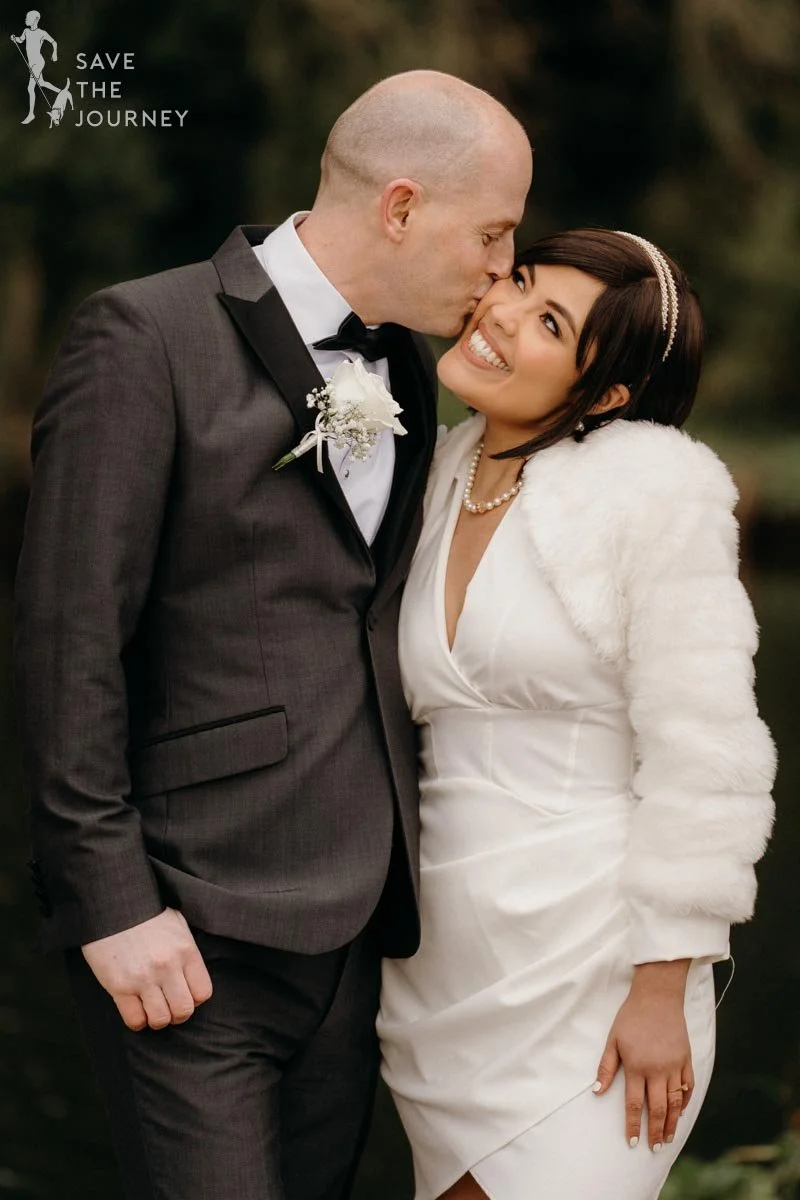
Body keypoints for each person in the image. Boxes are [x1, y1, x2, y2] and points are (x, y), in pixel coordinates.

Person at [12, 71, 532, 1200]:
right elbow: (67, 643)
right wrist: (112, 905)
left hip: (358, 937)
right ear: (401, 207)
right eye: (493, 233)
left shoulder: (410, 364)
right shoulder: (144, 336)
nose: (502, 268)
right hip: (186, 926)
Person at [378, 228, 777, 1200]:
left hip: (596, 971)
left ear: (603, 395)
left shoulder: (653, 493)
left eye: (549, 322)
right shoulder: (434, 468)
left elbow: (708, 756)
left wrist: (660, 984)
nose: (502, 312)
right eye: (519, 282)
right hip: (442, 976)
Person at [11, 10, 60, 125]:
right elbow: (20, 40)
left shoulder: (41, 33)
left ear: (36, 19)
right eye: (26, 18)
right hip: (31, 63)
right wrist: (14, 38)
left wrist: (54, 53)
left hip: (38, 62)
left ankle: (31, 114)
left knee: (30, 88)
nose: (26, 19)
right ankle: (60, 91)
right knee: (41, 83)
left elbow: (54, 42)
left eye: (29, 18)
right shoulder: (26, 31)